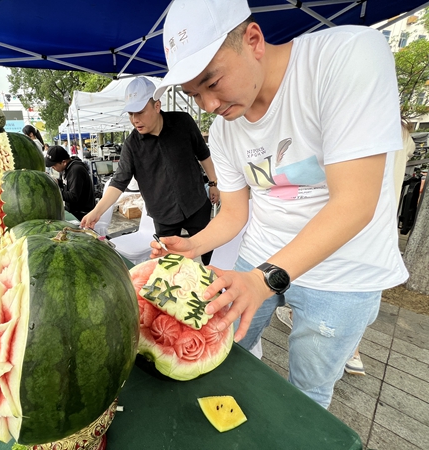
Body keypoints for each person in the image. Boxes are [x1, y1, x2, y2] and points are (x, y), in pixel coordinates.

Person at [149, 0, 408, 408]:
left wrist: (260, 280)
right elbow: (235, 212)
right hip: (259, 256)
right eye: (193, 94)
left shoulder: (347, 57)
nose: (209, 106)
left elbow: (355, 203)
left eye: (212, 82)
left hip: (342, 273)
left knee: (307, 394)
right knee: (220, 355)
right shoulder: (224, 130)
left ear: (253, 40)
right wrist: (194, 244)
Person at [81, 76, 220, 264]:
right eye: (130, 114)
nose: (135, 120)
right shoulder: (131, 145)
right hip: (163, 214)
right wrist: (96, 212)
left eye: (139, 112)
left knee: (208, 253)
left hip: (195, 202)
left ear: (156, 106)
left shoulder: (183, 122)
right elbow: (119, 182)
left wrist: (213, 183)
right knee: (168, 263)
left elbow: (203, 154)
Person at [45, 145, 95, 221]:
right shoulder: (65, 168)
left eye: (54, 166)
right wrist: (57, 182)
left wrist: (54, 192)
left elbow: (73, 196)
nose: (52, 168)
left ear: (63, 162)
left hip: (82, 214)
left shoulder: (76, 170)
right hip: (72, 210)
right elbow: (67, 183)